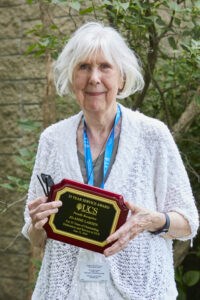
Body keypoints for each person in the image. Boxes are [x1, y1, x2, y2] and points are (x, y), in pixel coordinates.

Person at [22, 22, 199, 300]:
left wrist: (150, 220)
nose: (94, 78)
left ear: (122, 79)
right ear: (71, 78)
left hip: (137, 293)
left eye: (105, 66)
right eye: (83, 67)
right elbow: (36, 238)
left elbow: (188, 222)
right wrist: (36, 224)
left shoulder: (152, 135)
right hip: (67, 293)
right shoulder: (52, 140)